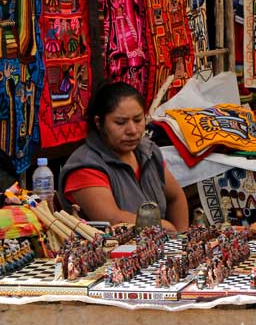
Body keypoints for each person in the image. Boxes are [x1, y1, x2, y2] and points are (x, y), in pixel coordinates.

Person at [59, 81, 189, 232]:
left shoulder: (148, 152)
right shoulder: (85, 166)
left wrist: (181, 240)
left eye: (138, 120)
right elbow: (114, 219)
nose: (132, 130)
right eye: (120, 123)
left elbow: (176, 198)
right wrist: (168, 228)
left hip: (158, 246)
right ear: (99, 122)